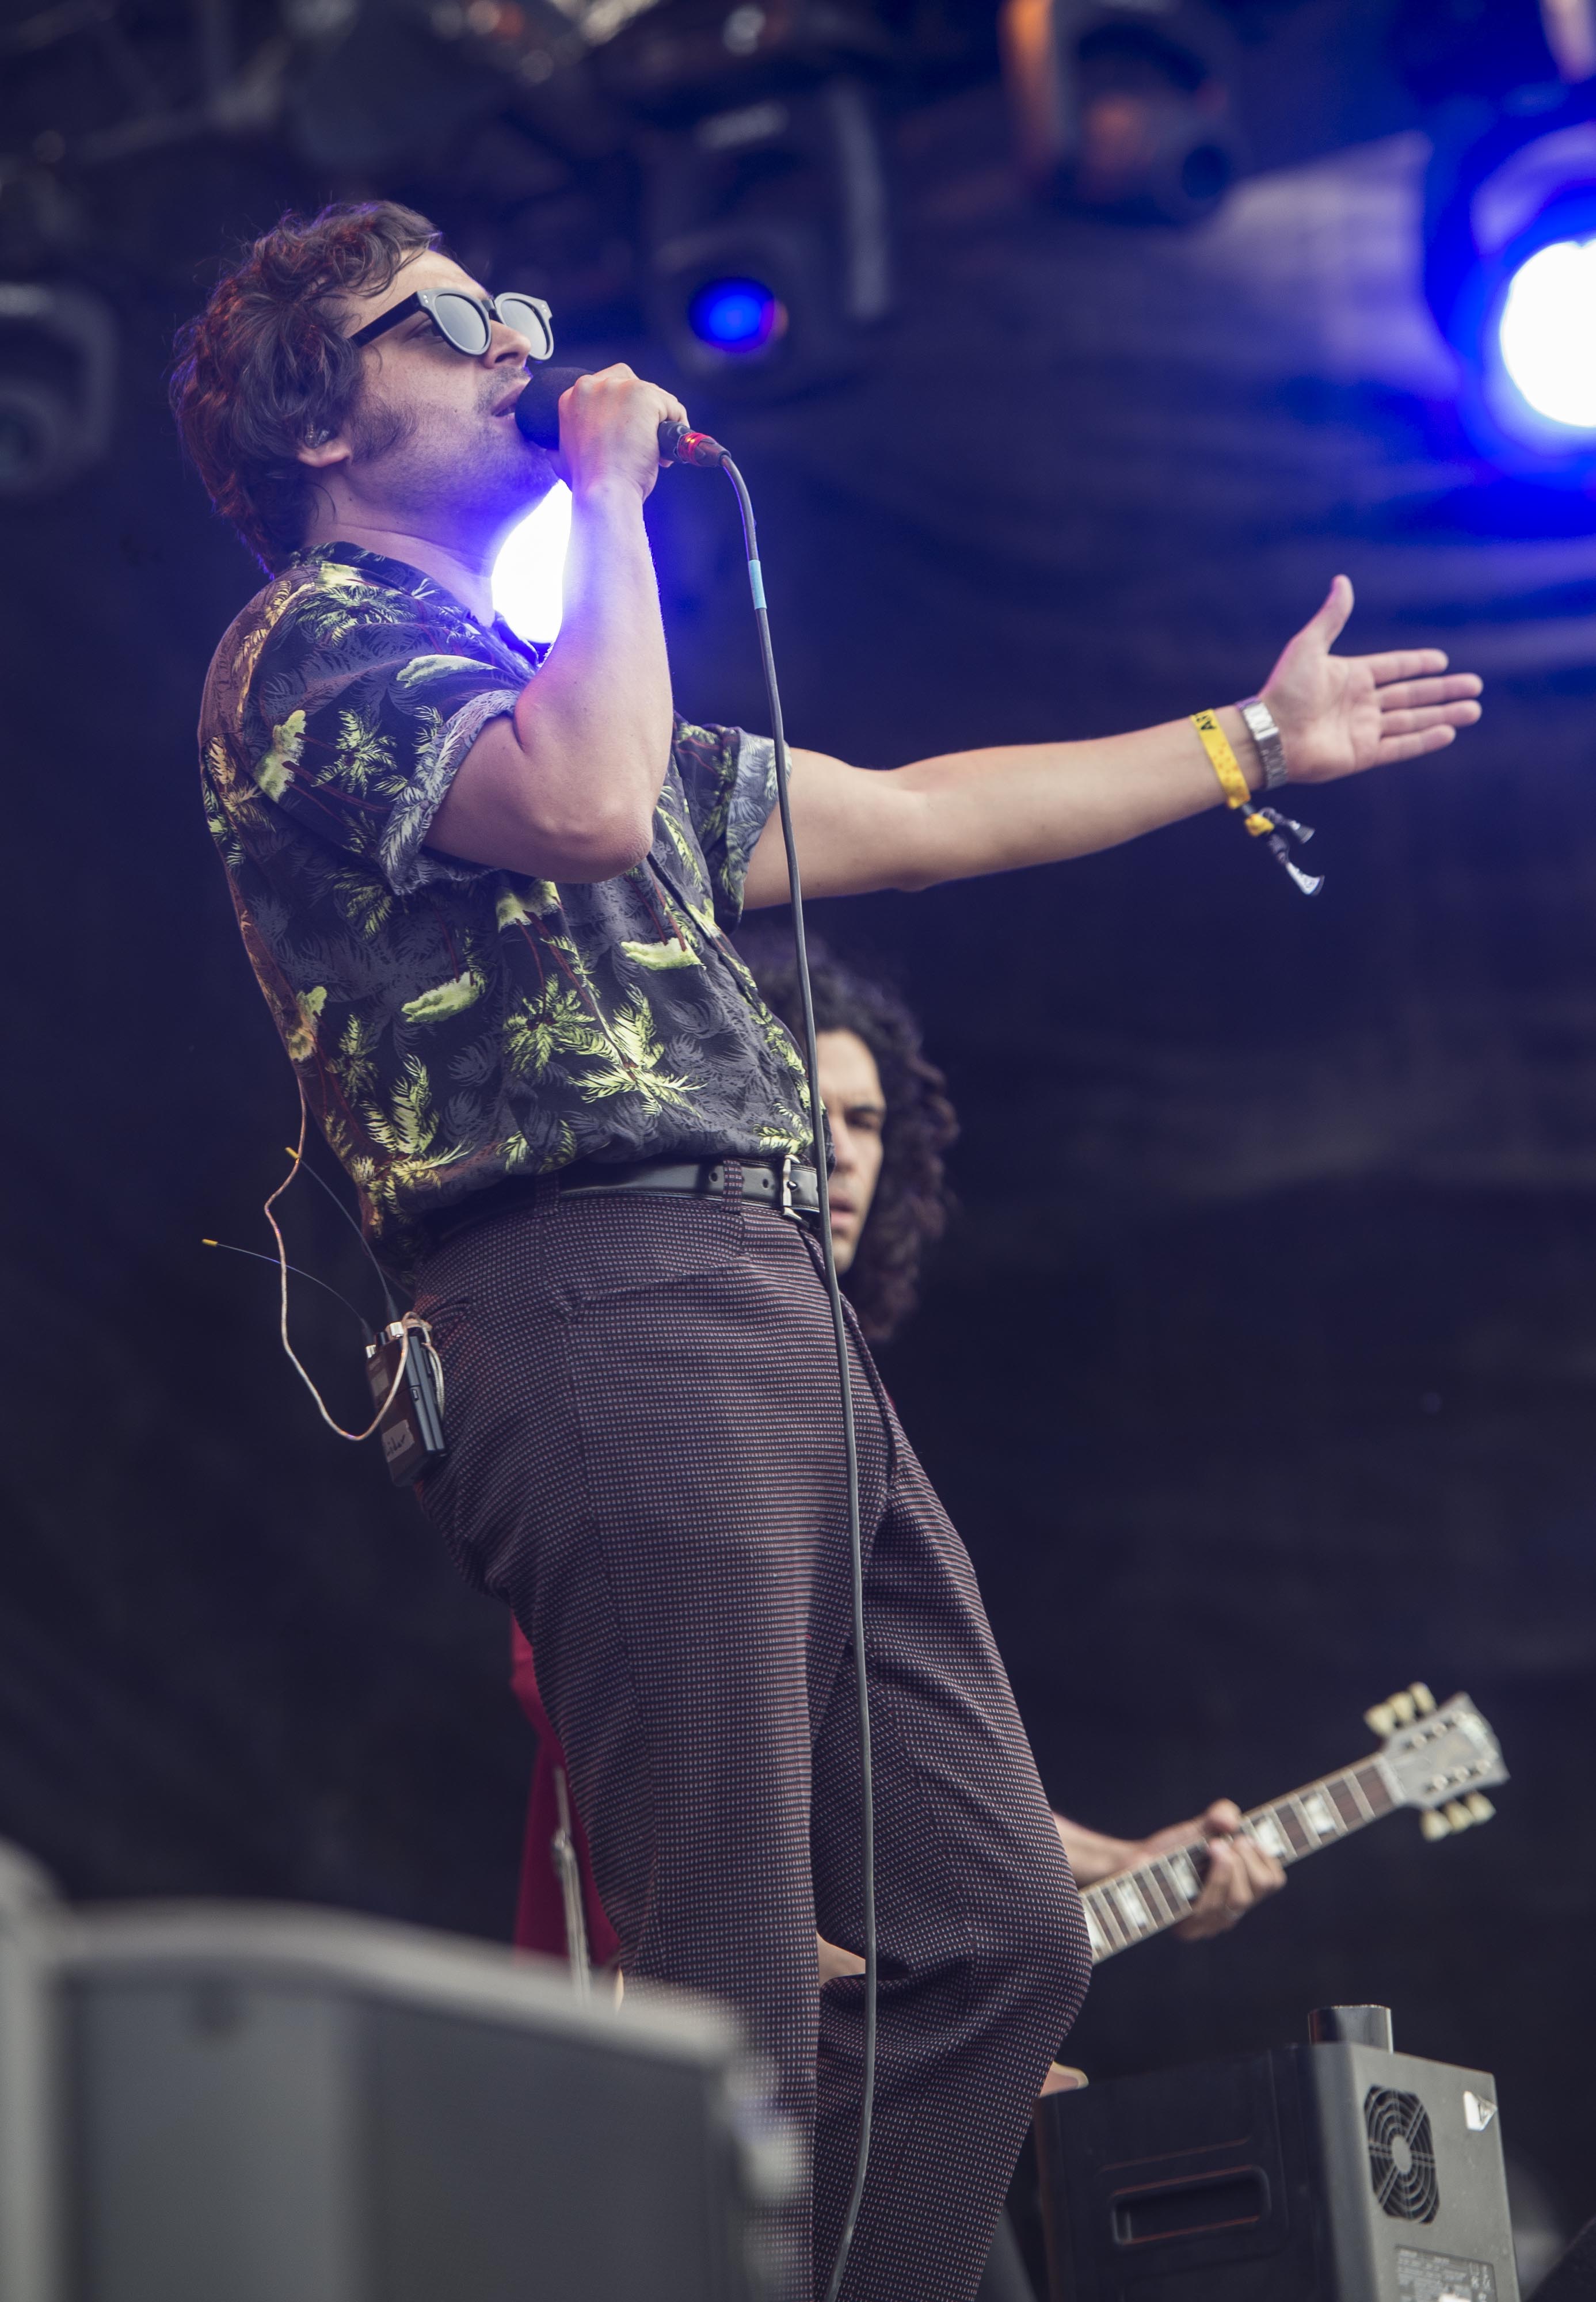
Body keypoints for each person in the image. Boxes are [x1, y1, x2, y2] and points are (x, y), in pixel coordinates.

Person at [171, 198, 1481, 2302]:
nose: (519, 342)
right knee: (736, 1979)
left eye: (518, 309)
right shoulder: (312, 650)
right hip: (586, 1295)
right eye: (458, 318)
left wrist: (1246, 747)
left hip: (766, 1301)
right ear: (321, 416)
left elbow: (921, 814)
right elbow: (588, 809)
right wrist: (608, 500)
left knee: (1001, 1936)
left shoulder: (555, 689)